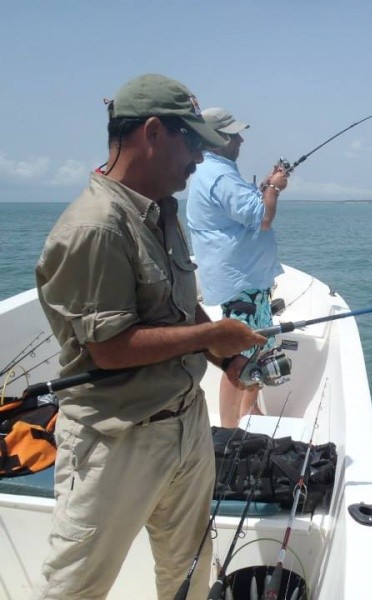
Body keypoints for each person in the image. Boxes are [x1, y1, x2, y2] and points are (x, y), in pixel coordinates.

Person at [34, 74, 265, 600]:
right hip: (115, 445)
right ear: (154, 133)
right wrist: (212, 333)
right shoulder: (96, 226)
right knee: (77, 587)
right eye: (193, 143)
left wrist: (222, 356)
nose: (200, 160)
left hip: (186, 425)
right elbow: (110, 349)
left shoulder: (163, 209)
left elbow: (180, 310)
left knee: (188, 571)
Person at [187, 107, 289, 428]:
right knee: (238, 356)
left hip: (250, 277)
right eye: (234, 134)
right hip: (240, 280)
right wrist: (273, 188)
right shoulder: (217, 174)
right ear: (215, 139)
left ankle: (249, 409)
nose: (241, 139)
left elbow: (243, 211)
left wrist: (265, 188)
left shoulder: (219, 171)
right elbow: (263, 217)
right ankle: (229, 431)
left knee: (259, 342)